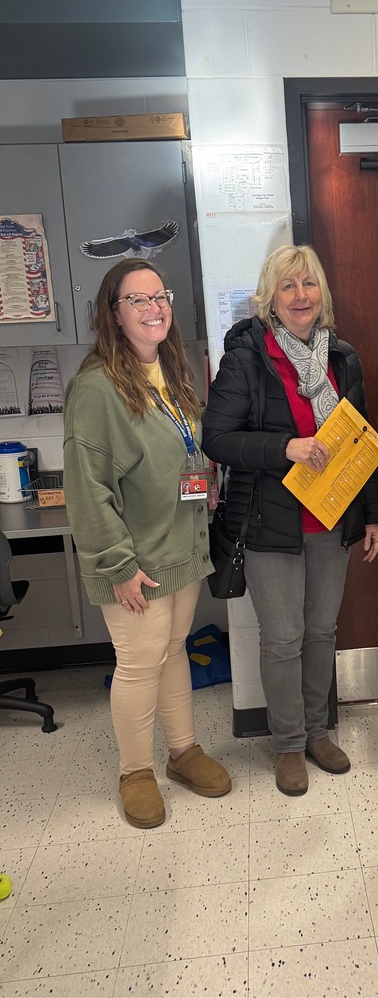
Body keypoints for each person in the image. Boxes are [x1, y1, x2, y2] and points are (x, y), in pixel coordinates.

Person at [202, 244, 378, 796]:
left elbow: (360, 441)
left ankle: (315, 731)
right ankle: (286, 745)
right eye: (289, 286)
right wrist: (287, 447)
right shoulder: (246, 359)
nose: (301, 296)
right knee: (282, 639)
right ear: (270, 297)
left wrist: (372, 514)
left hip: (330, 521)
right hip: (268, 525)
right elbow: (218, 438)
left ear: (321, 294)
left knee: (321, 632)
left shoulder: (342, 358)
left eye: (309, 285)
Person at [63, 258, 231, 829]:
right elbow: (87, 489)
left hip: (182, 547)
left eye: (160, 295)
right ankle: (135, 771)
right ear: (113, 313)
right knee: (138, 664)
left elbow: (189, 447)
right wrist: (118, 566)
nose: (154, 307)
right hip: (134, 561)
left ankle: (182, 752)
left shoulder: (173, 372)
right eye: (137, 299)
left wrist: (206, 482)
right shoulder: (96, 388)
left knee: (174, 649)